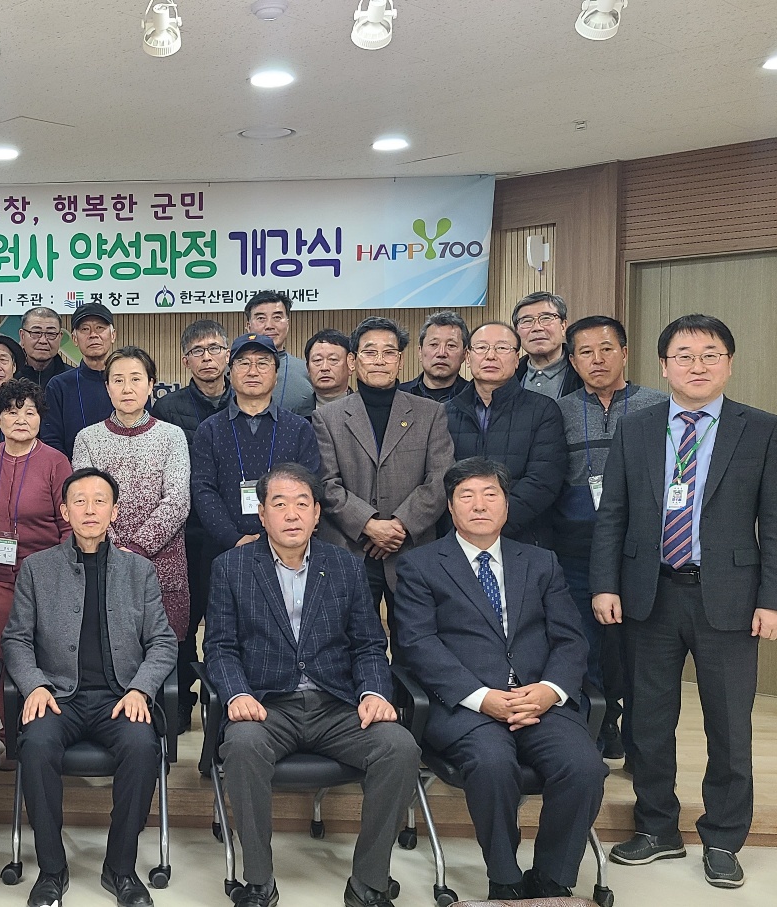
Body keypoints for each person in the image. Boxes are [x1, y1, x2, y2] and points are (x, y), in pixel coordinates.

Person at [591, 315, 777, 889]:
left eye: (710, 355)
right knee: (648, 722)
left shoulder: (763, 429)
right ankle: (657, 827)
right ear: (663, 366)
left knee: (728, 725)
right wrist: (605, 584)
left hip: (729, 598)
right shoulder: (636, 427)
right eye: (683, 355)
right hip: (649, 593)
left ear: (728, 363)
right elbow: (613, 513)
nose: (696, 366)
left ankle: (724, 837)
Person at [393, 457, 606, 901]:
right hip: (465, 706)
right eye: (466, 496)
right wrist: (480, 696)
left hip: (537, 701)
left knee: (584, 766)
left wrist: (549, 691)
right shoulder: (420, 565)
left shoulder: (541, 562)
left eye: (490, 495)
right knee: (492, 764)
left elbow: (570, 639)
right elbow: (417, 645)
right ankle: (505, 878)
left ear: (506, 505)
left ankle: (551, 879)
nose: (479, 505)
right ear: (450, 507)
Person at [207, 463, 419, 907]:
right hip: (268, 705)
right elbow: (220, 647)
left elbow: (368, 643)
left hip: (335, 705)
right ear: (262, 514)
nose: (292, 514)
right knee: (242, 745)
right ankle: (258, 881)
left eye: (302, 504)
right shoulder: (232, 567)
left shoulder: (344, 565)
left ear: (317, 513)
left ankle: (368, 881)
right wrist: (237, 693)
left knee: (399, 747)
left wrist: (374, 693)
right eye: (280, 504)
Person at [4, 467, 178, 907]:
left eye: (100, 501)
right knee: (36, 746)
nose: (89, 509)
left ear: (114, 511)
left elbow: (162, 641)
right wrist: (34, 685)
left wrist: (141, 690)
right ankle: (52, 869)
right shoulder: (37, 569)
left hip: (120, 698)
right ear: (64, 511)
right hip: (57, 697)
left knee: (142, 747)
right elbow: (16, 639)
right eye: (79, 501)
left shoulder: (139, 570)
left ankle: (120, 868)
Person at [551, 316, 667, 760]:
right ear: (572, 360)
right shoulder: (558, 411)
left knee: (640, 653)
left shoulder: (658, 406)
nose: (596, 359)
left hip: (643, 551)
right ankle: (594, 736)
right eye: (585, 352)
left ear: (625, 353)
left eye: (606, 349)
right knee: (584, 645)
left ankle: (641, 748)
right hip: (576, 550)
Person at [313, 317, 453, 614]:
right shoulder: (328, 417)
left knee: (414, 637)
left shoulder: (431, 413)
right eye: (370, 352)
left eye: (389, 352)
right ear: (353, 361)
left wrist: (398, 526)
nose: (379, 360)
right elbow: (326, 483)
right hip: (350, 548)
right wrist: (369, 525)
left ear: (400, 361)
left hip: (411, 548)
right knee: (350, 636)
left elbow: (440, 478)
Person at [73, 347, 191, 639]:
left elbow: (177, 501)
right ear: (107, 387)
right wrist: (116, 550)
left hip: (164, 566)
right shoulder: (87, 438)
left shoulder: (172, 436)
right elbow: (86, 502)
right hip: (103, 561)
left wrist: (137, 549)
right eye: (118, 380)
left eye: (136, 379)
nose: (127, 388)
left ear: (151, 385)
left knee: (164, 651)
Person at [151, 320, 231, 729]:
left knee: (227, 620)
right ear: (185, 361)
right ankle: (180, 699)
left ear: (227, 355)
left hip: (233, 533)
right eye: (198, 351)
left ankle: (224, 702)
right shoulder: (167, 409)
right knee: (181, 621)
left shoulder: (244, 401)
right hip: (186, 532)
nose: (207, 357)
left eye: (214, 348)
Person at [191, 333, 321, 553]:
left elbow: (310, 489)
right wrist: (233, 538)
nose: (253, 371)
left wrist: (279, 537)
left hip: (288, 549)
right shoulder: (209, 429)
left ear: (276, 375)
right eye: (243, 363)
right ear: (230, 373)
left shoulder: (299, 428)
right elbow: (203, 490)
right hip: (224, 549)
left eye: (262, 363)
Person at [444, 322, 564, 547]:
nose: (490, 356)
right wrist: (468, 525)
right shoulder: (445, 413)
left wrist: (492, 524)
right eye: (481, 348)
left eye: (501, 348)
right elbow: (440, 478)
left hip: (524, 539)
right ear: (468, 357)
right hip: (458, 540)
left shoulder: (543, 410)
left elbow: (543, 481)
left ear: (517, 358)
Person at [0, 379, 72, 657]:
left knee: (42, 656)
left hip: (44, 577)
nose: (21, 419)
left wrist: (60, 573)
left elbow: (69, 526)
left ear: (40, 419)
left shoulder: (56, 461)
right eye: (12, 412)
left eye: (30, 412)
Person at [40, 302, 117, 458]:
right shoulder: (59, 386)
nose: (93, 335)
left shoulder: (129, 384)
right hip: (73, 470)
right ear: (75, 339)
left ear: (113, 335)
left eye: (100, 328)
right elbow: (51, 440)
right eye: (85, 329)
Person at [242, 291, 314, 417]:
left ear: (287, 324)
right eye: (261, 318)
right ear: (248, 327)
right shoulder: (232, 371)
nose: (269, 326)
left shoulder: (308, 371)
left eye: (277, 317)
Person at [512, 292, 582, 400]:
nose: (537, 328)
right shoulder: (508, 376)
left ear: (563, 326)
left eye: (546, 318)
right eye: (526, 321)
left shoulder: (584, 371)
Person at [399, 311, 472, 403]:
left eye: (451, 345)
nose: (441, 353)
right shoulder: (399, 395)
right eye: (434, 344)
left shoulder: (474, 397)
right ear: (420, 351)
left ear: (464, 354)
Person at [15, 307, 71, 388]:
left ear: (60, 337)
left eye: (51, 334)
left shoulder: (73, 379)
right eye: (36, 332)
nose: (43, 341)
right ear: (22, 336)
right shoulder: (9, 378)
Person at [305, 329, 354, 408]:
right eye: (317, 360)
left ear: (350, 365)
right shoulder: (294, 413)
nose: (324, 368)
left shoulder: (365, 409)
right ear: (308, 368)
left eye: (333, 359)